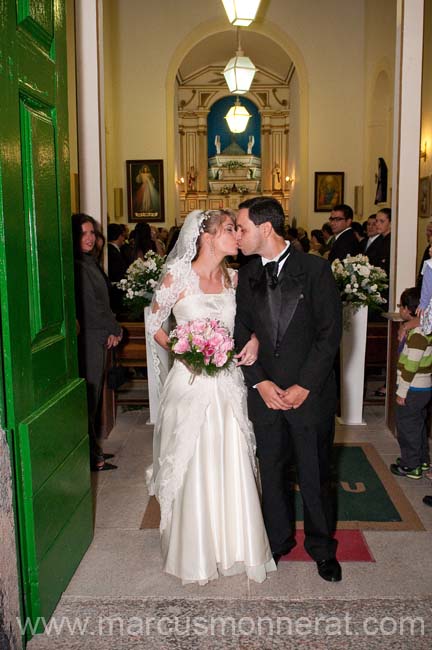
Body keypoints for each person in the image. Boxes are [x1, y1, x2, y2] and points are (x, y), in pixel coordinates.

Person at [146, 209, 276, 585]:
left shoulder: (236, 278)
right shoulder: (178, 277)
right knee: (194, 457)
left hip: (228, 382)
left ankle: (236, 543)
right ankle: (196, 548)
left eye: (237, 229)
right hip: (190, 382)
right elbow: (155, 322)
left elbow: (253, 326)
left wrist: (252, 340)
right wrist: (184, 350)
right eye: (230, 230)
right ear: (207, 237)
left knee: (231, 454)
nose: (237, 236)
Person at [235, 197, 343, 582]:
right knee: (273, 471)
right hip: (264, 394)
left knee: (314, 474)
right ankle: (277, 541)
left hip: (309, 395)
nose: (238, 234)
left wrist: (304, 386)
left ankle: (321, 547)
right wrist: (260, 382)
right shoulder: (244, 274)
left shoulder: (315, 269)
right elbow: (240, 333)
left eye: (242, 227)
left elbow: (329, 335)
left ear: (266, 229)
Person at [72, 213, 122, 471]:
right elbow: (92, 307)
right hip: (89, 337)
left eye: (92, 232)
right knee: (89, 399)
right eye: (83, 233)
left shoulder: (89, 262)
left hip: (98, 335)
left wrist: (112, 329)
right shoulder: (78, 266)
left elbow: (104, 302)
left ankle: (93, 450)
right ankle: (91, 456)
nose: (90, 238)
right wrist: (115, 328)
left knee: (93, 397)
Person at [389, 287, 432, 480]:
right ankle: (421, 460)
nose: (400, 309)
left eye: (400, 306)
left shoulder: (417, 335)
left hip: (413, 388)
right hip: (422, 388)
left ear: (407, 310)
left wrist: (402, 391)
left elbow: (411, 366)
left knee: (407, 427)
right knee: (418, 425)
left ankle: (411, 465)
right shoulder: (423, 329)